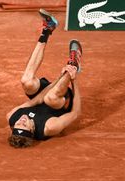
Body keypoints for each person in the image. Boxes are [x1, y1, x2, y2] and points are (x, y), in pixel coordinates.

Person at [6, 9, 82, 148]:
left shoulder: (12, 116)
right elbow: (76, 113)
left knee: (26, 82)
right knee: (51, 98)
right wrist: (74, 80)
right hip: (61, 101)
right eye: (24, 125)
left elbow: (36, 100)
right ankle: (73, 65)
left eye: (17, 124)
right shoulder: (49, 127)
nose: (21, 120)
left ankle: (47, 29)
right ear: (32, 130)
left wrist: (57, 79)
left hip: (44, 94)